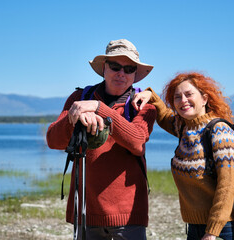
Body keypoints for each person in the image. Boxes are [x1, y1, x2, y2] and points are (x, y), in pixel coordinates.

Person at [46, 39, 156, 239]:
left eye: (129, 68)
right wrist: (75, 118)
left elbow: (138, 142)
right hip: (86, 211)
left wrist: (99, 108)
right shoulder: (79, 98)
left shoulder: (144, 106)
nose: (121, 73)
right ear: (104, 68)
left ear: (135, 75)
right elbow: (53, 140)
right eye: (115, 66)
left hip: (128, 213)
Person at [132, 72, 234, 240]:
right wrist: (150, 94)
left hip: (226, 226)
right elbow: (165, 115)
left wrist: (212, 231)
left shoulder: (221, 132)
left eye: (189, 94)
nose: (183, 101)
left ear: (204, 98)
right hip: (196, 226)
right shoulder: (184, 127)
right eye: (177, 97)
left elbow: (228, 184)